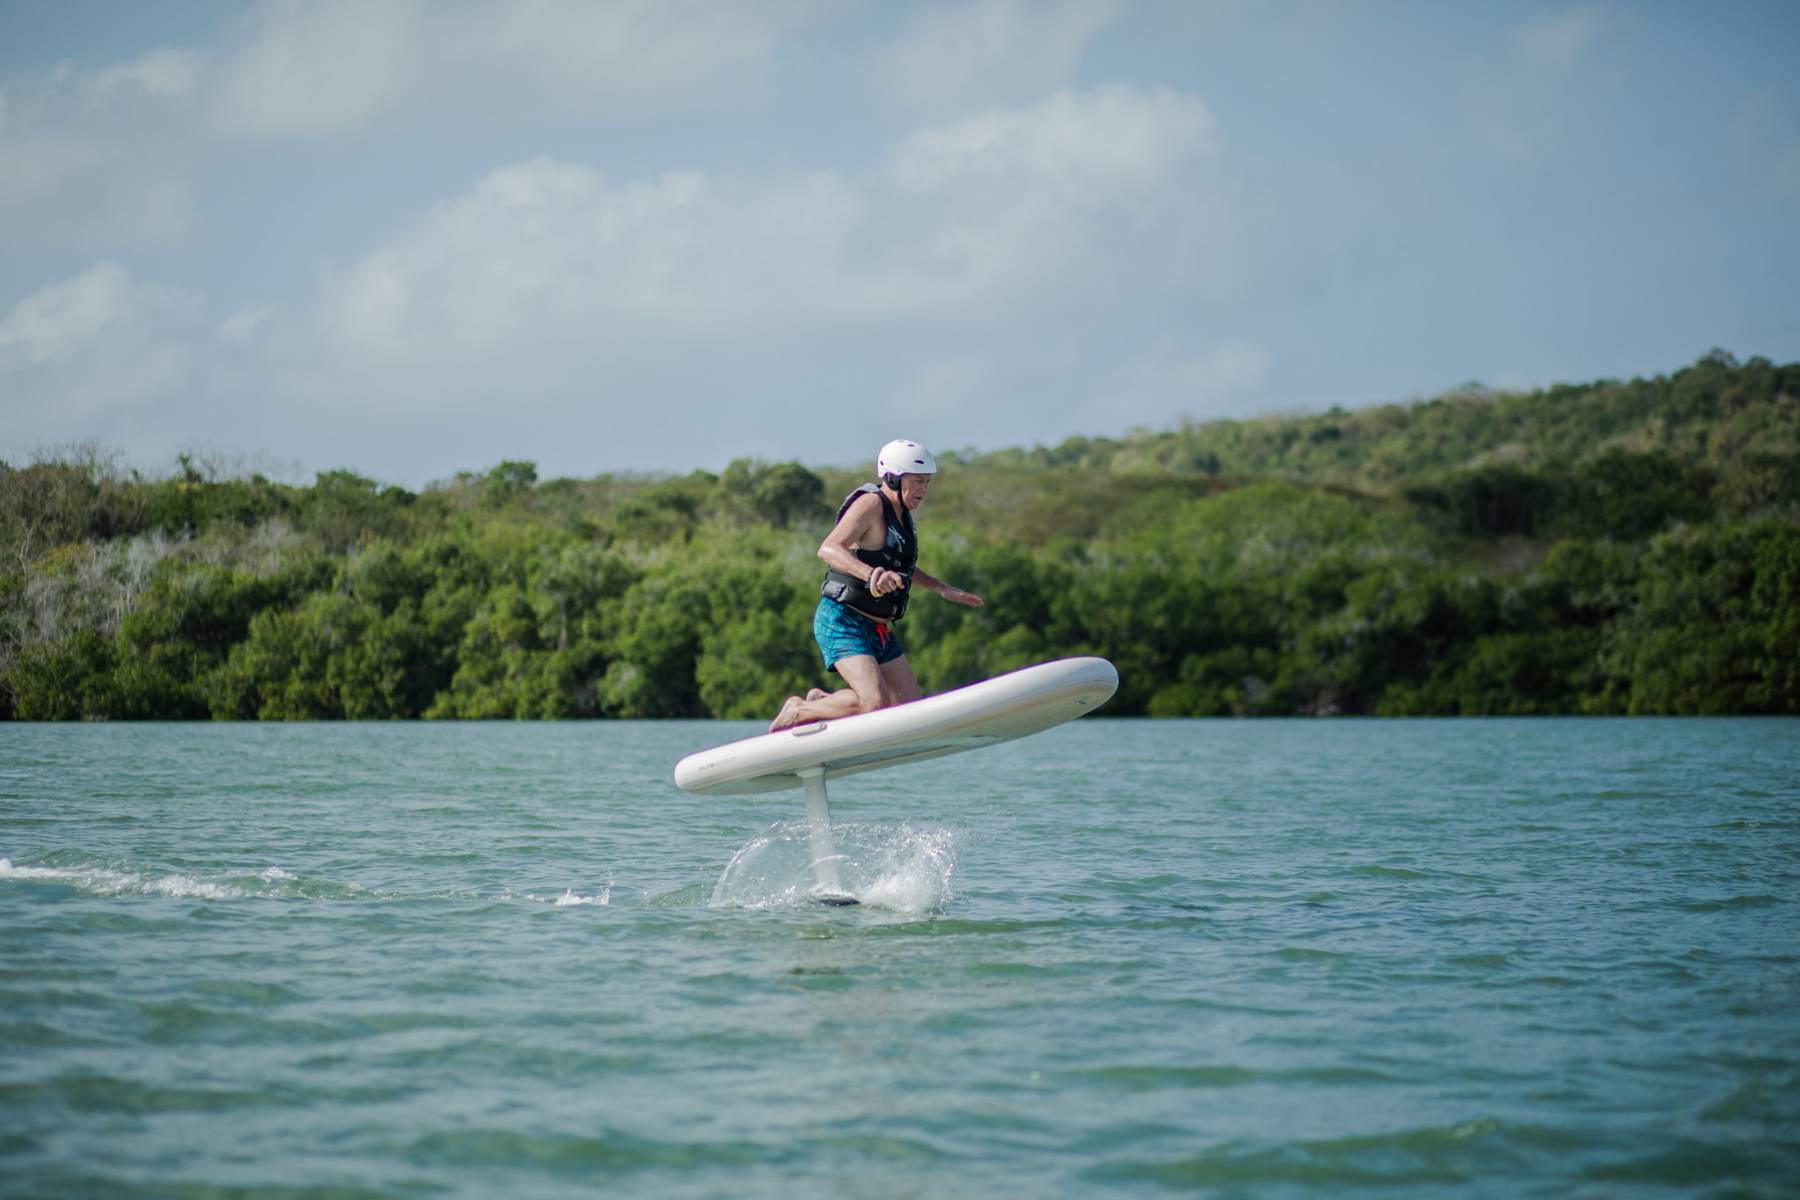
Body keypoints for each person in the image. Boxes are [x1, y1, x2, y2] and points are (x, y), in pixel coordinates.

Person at [769, 439, 984, 731]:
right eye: (918, 481)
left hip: (878, 629)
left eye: (927, 482)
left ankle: (823, 700)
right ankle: (801, 709)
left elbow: (903, 567)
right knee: (875, 704)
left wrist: (941, 588)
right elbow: (829, 548)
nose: (924, 489)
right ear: (893, 478)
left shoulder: (902, 516)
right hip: (842, 620)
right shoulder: (871, 504)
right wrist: (871, 575)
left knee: (910, 709)